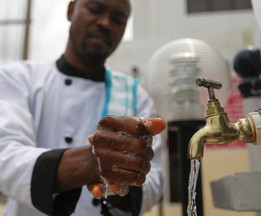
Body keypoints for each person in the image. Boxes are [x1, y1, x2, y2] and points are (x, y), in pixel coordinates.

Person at [0, 0, 166, 215]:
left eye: (118, 19)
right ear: (71, 10)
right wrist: (88, 164)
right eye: (95, 9)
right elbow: (6, 156)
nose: (105, 23)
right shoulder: (18, 79)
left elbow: (155, 180)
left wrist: (119, 177)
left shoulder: (137, 96)